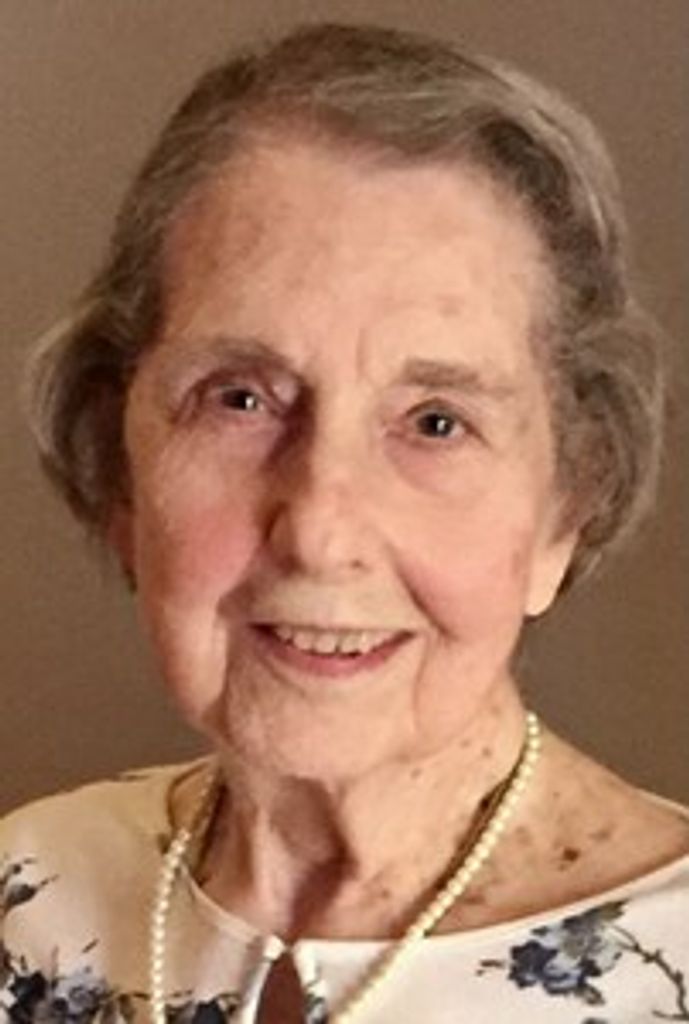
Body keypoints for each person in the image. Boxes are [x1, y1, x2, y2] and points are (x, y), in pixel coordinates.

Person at [1, 21, 687, 1024]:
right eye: (240, 399)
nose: (320, 530)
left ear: (565, 509)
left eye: (435, 422)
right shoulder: (25, 898)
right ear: (119, 473)